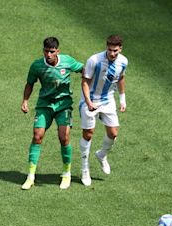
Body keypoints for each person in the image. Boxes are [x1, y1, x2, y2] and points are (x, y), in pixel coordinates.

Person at [21, 37, 84, 190]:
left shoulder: (67, 61)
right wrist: (25, 101)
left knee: (64, 137)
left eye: (51, 51)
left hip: (64, 106)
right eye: (46, 51)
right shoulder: (37, 65)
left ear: (57, 51)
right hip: (45, 105)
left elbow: (85, 69)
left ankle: (66, 174)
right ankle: (31, 176)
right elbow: (30, 83)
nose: (48, 54)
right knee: (37, 136)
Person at [78, 35, 128, 186]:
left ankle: (101, 155)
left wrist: (122, 98)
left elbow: (121, 78)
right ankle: (85, 169)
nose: (112, 53)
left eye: (115, 51)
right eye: (110, 50)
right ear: (106, 47)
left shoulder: (123, 61)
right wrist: (88, 102)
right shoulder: (94, 60)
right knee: (88, 134)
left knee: (113, 133)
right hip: (90, 100)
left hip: (108, 100)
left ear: (120, 49)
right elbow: (85, 82)